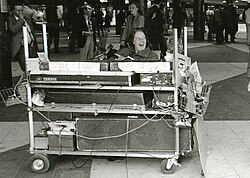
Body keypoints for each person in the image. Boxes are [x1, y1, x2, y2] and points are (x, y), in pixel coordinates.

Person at [8, 4, 37, 71]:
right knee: (25, 66)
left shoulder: (26, 18)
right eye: (18, 10)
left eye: (21, 10)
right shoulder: (10, 19)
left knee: (33, 64)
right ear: (13, 11)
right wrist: (20, 20)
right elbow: (13, 29)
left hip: (30, 44)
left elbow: (30, 29)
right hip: (21, 46)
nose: (20, 12)